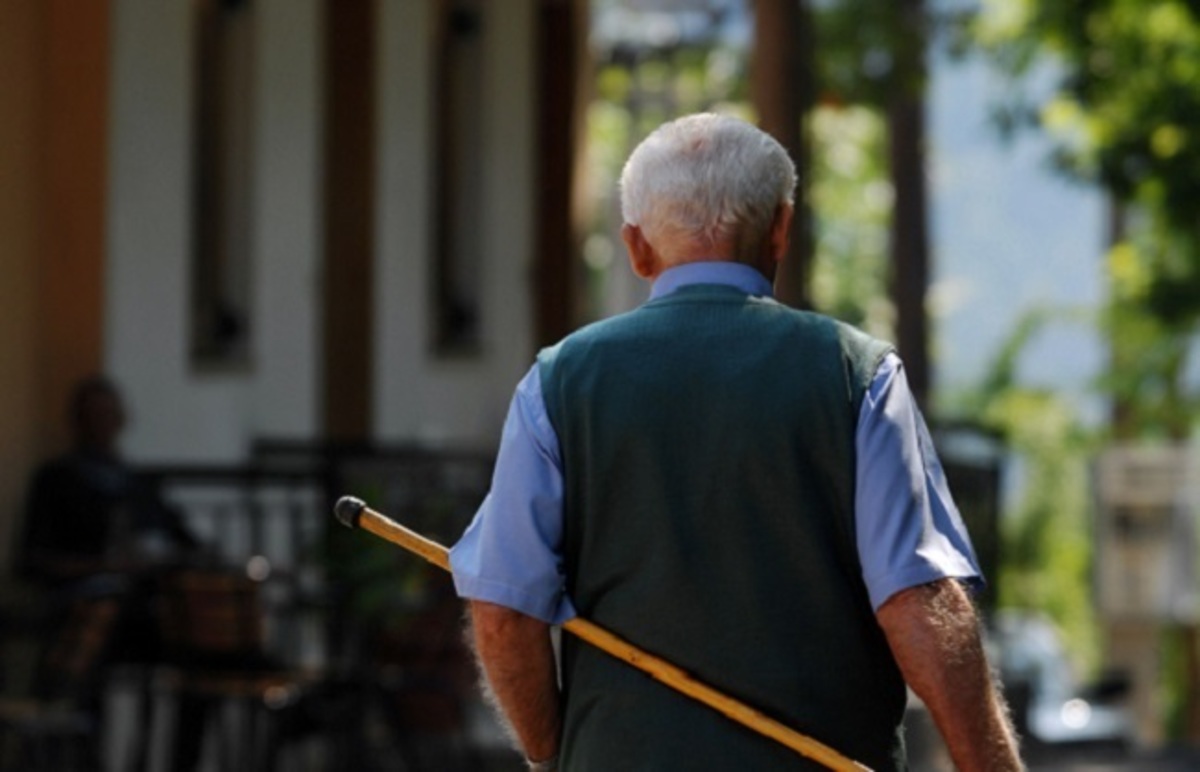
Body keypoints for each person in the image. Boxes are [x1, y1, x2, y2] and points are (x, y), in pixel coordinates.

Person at [450, 113, 1021, 771]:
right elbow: (918, 602)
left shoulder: (558, 383)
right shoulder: (854, 373)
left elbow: (502, 611)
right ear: (781, 229)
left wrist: (558, 752)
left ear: (636, 248)